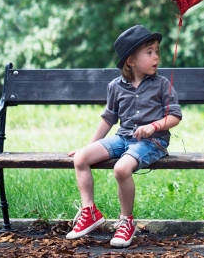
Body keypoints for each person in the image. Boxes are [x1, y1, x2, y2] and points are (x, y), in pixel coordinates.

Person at [65, 25, 181, 248]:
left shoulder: (162, 84)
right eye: (149, 52)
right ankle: (89, 211)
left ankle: (126, 222)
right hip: (123, 138)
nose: (156, 56)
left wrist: (153, 126)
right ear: (131, 60)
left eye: (157, 51)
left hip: (152, 142)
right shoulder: (115, 86)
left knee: (121, 168)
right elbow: (108, 119)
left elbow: (175, 116)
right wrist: (88, 147)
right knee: (80, 159)